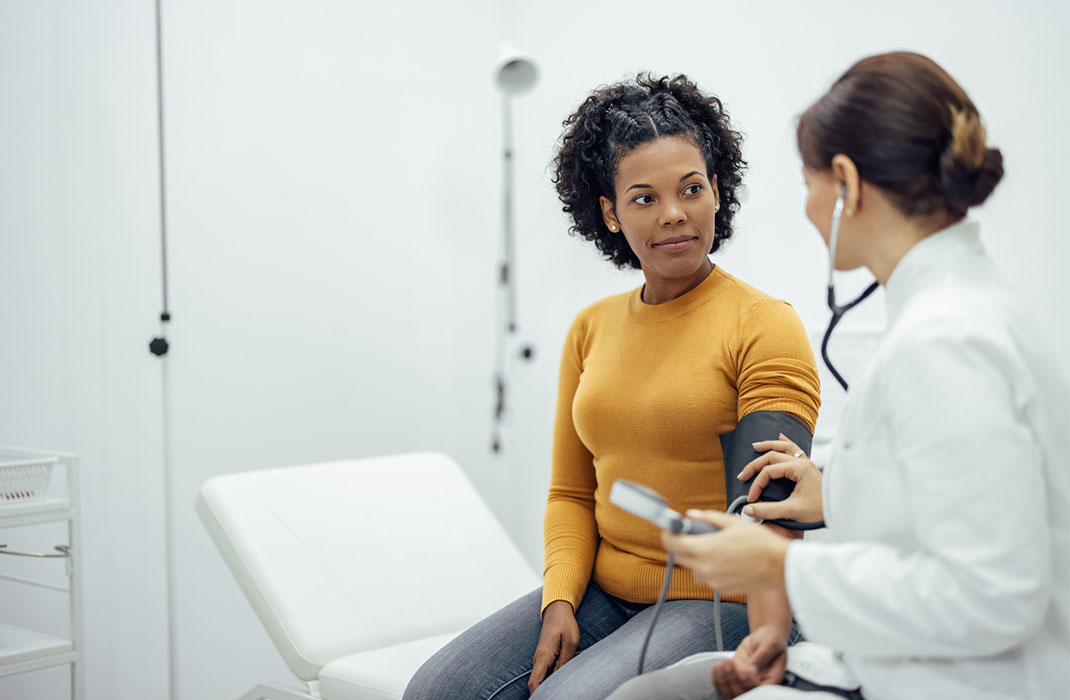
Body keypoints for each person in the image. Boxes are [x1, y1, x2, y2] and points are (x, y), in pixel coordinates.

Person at [605, 51, 1070, 700]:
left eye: (809, 183)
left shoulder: (944, 343)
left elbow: (993, 595)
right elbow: (958, 503)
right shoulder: (962, 312)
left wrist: (783, 566)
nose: (808, 208)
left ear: (846, 182)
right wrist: (838, 494)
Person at [402, 74, 821, 700]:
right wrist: (559, 600)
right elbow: (571, 492)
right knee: (439, 689)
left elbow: (770, 514)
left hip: (722, 598)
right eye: (644, 198)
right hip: (607, 590)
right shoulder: (591, 329)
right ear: (610, 213)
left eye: (691, 188)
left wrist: (769, 637)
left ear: (716, 191)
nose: (674, 212)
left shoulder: (763, 324)